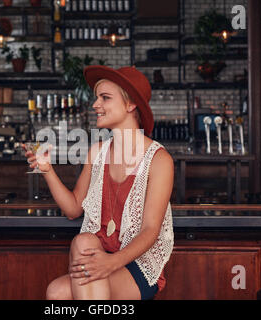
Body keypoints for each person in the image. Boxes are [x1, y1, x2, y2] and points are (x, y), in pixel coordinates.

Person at [23, 65, 174, 300]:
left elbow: (150, 230)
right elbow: (73, 209)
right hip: (101, 253)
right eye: (96, 98)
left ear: (130, 104)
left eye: (105, 98)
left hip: (138, 265)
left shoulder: (159, 159)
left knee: (62, 292)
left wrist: (111, 263)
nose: (95, 105)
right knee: (59, 287)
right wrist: (47, 169)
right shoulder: (98, 153)